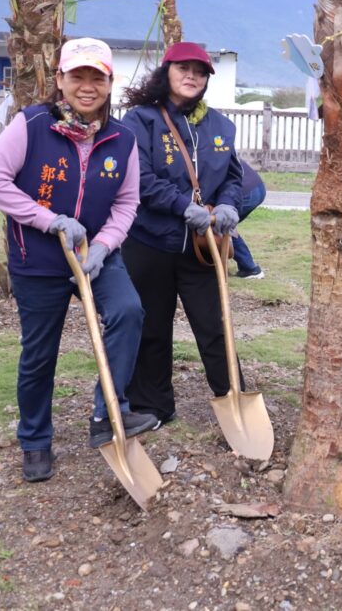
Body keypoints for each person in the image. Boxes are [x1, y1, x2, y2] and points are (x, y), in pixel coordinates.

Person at [0, 37, 157, 483]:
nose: (87, 86)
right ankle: (35, 440)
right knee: (40, 353)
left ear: (110, 83)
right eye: (78, 76)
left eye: (97, 77)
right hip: (37, 258)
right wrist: (48, 220)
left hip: (96, 256)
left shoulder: (123, 139)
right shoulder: (32, 125)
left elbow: (126, 205)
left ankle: (107, 414)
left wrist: (104, 246)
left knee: (129, 312)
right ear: (60, 80)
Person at [121, 41, 243, 427]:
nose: (192, 76)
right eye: (183, 68)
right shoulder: (140, 120)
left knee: (214, 324)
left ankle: (234, 397)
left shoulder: (222, 126)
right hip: (150, 242)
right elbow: (138, 176)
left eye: (200, 70)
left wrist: (227, 205)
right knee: (152, 326)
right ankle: (155, 406)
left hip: (202, 246)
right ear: (166, 72)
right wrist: (181, 205)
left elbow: (234, 178)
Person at [232, 159, 266, 278]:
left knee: (221, 224)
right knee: (224, 224)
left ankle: (249, 268)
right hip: (257, 185)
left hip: (246, 191)